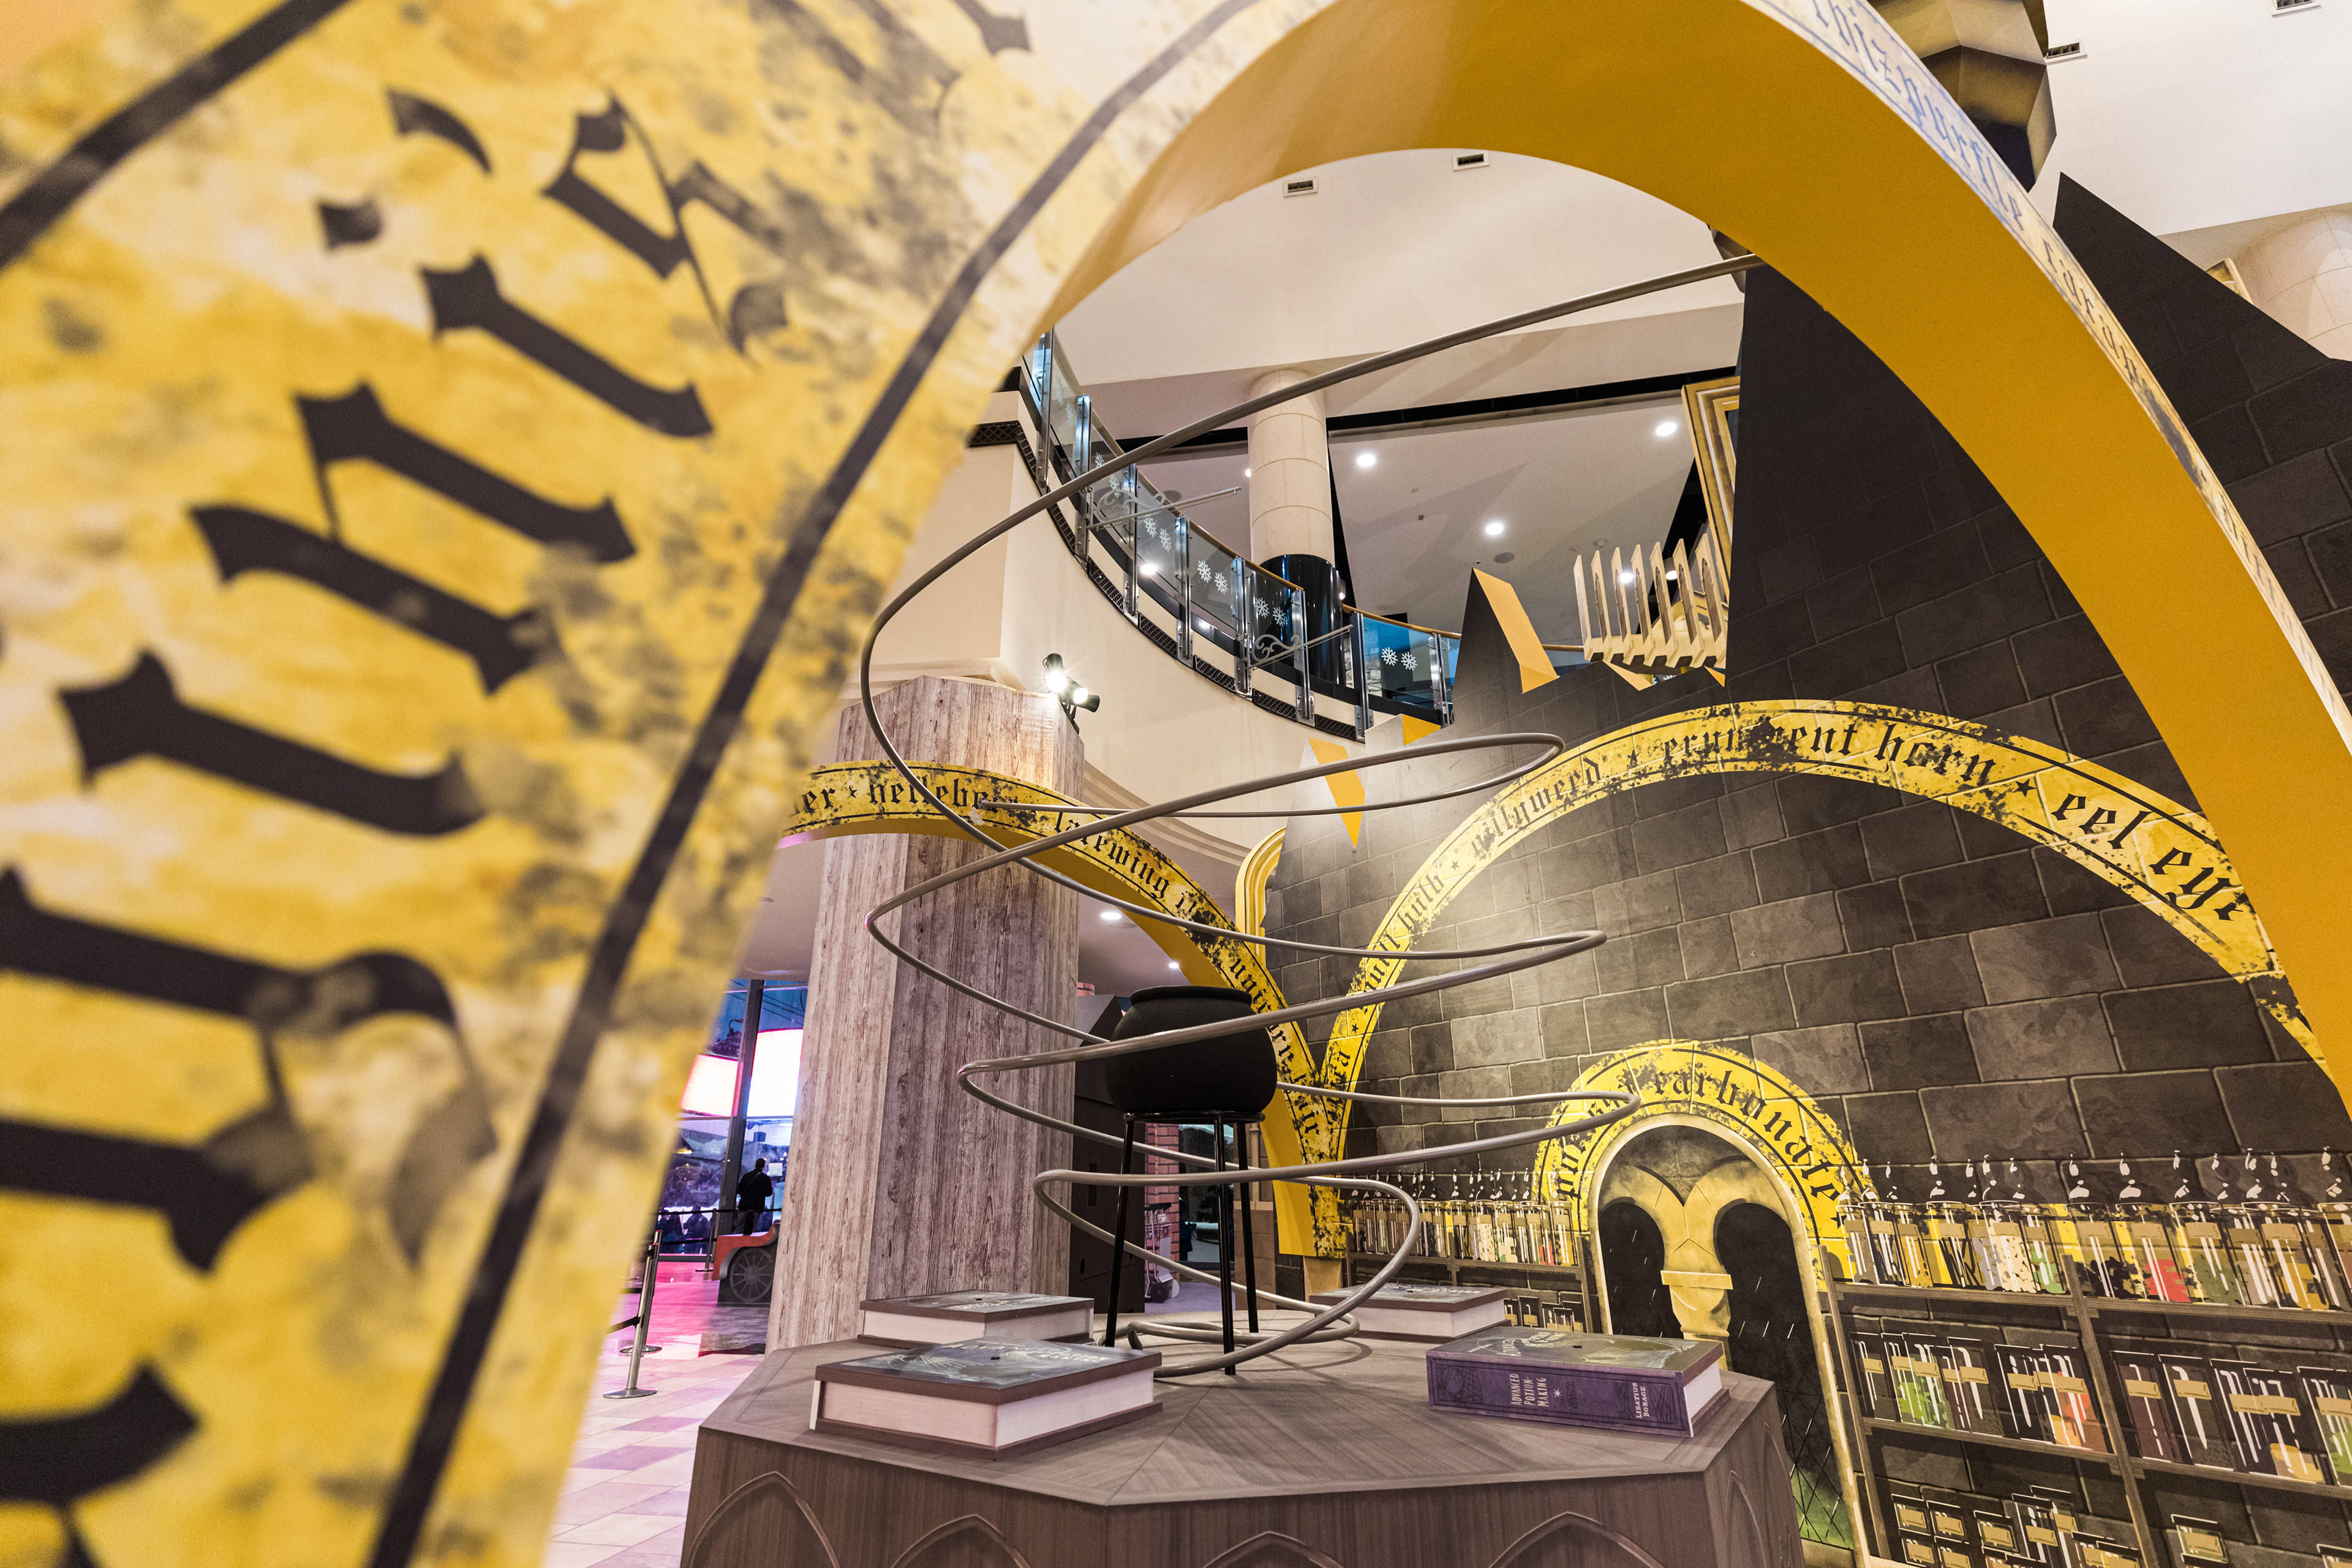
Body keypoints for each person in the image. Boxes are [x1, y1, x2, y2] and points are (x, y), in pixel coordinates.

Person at [733, 1158, 774, 1234]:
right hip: (757, 1206)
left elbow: (739, 1190)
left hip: (744, 1205)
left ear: (755, 1165)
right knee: (752, 1229)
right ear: (764, 1166)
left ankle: (736, 1240)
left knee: (739, 1228)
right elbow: (769, 1193)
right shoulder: (765, 1178)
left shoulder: (746, 1176)